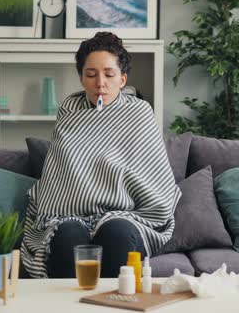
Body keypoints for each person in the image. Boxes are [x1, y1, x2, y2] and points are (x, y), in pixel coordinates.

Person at [20, 32, 181, 279]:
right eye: (91, 74)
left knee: (116, 233)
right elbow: (61, 170)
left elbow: (152, 173)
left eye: (109, 74)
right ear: (82, 78)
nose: (100, 83)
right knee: (67, 237)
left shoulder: (139, 112)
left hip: (127, 213)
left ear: (122, 79)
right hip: (68, 212)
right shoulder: (69, 109)